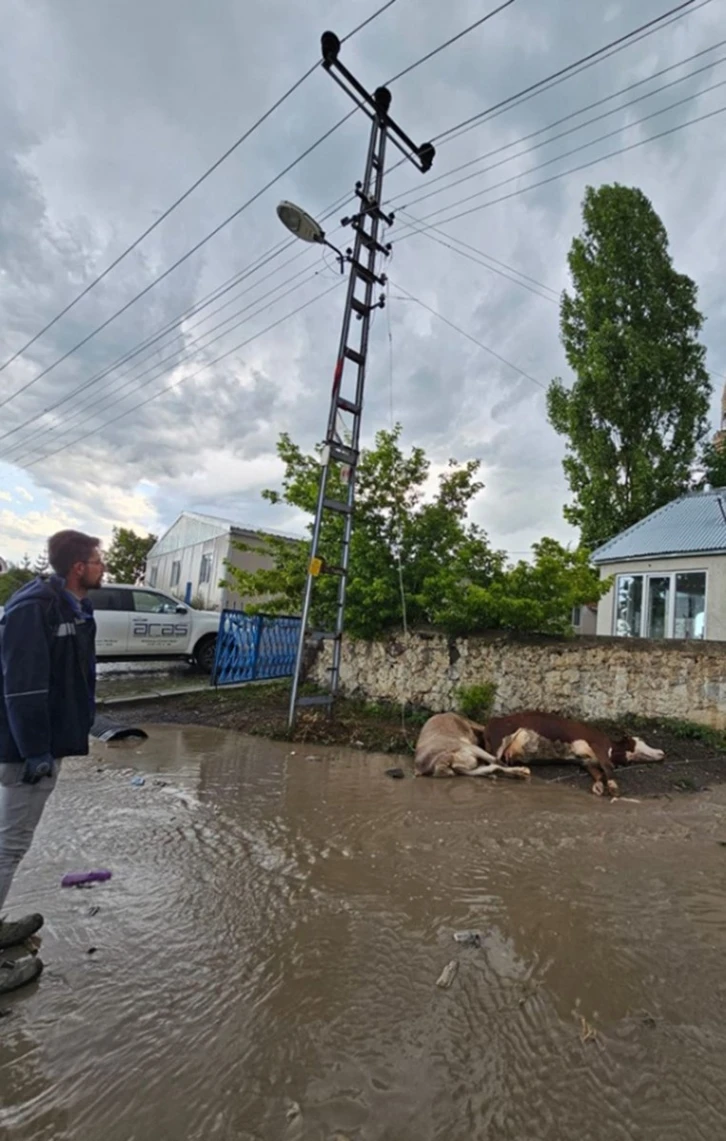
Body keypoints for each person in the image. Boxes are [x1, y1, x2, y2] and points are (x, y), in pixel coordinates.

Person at [0, 530, 103, 995]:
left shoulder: (70, 607)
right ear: (78, 566)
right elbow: (22, 687)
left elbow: (72, 677)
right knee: (9, 845)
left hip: (44, 744)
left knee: (9, 840)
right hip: (25, 750)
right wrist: (35, 749)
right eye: (98, 560)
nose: (103, 567)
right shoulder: (33, 608)